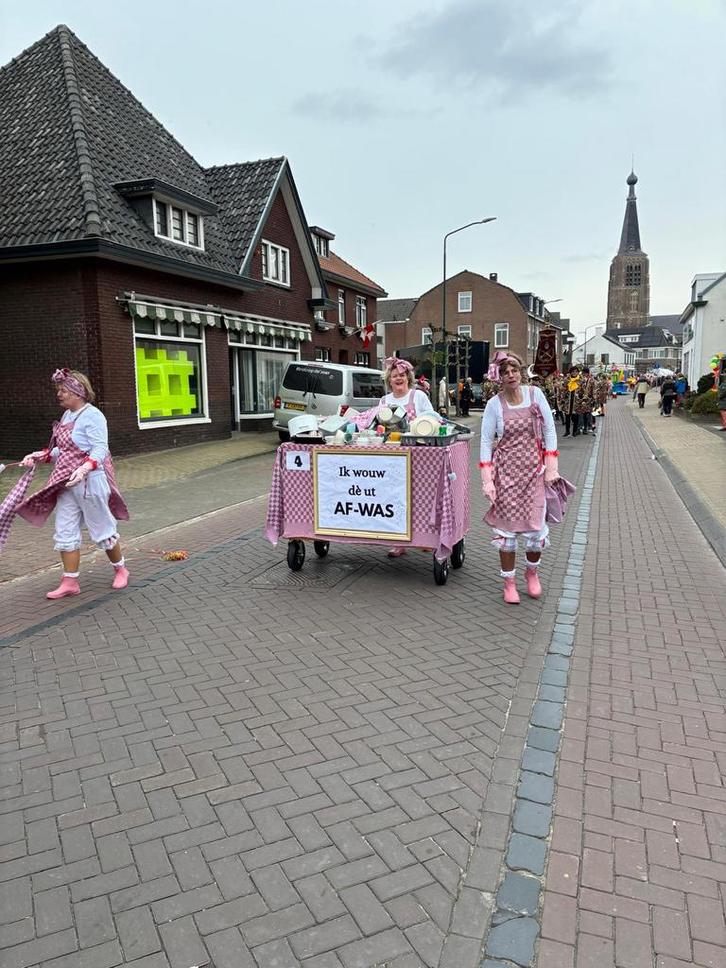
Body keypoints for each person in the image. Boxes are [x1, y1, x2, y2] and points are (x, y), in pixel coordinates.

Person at [17, 368, 130, 599]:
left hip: (90, 482)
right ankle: (70, 581)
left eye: (63, 390)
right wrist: (40, 455)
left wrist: (85, 468)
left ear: (78, 392)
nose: (59, 394)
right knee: (65, 531)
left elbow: (100, 449)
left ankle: (121, 569)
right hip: (66, 482)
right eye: (58, 390)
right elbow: (65, 450)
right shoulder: (68, 416)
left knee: (102, 529)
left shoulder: (93, 416)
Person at [480, 352, 560, 604]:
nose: (510, 375)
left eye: (514, 369)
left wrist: (551, 467)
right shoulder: (494, 404)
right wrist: (487, 480)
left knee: (535, 529)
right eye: (504, 372)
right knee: (508, 533)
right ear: (499, 377)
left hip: (534, 474)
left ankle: (532, 573)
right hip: (505, 475)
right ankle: (509, 582)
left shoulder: (536, 395)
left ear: (521, 371)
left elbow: (549, 430)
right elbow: (485, 441)